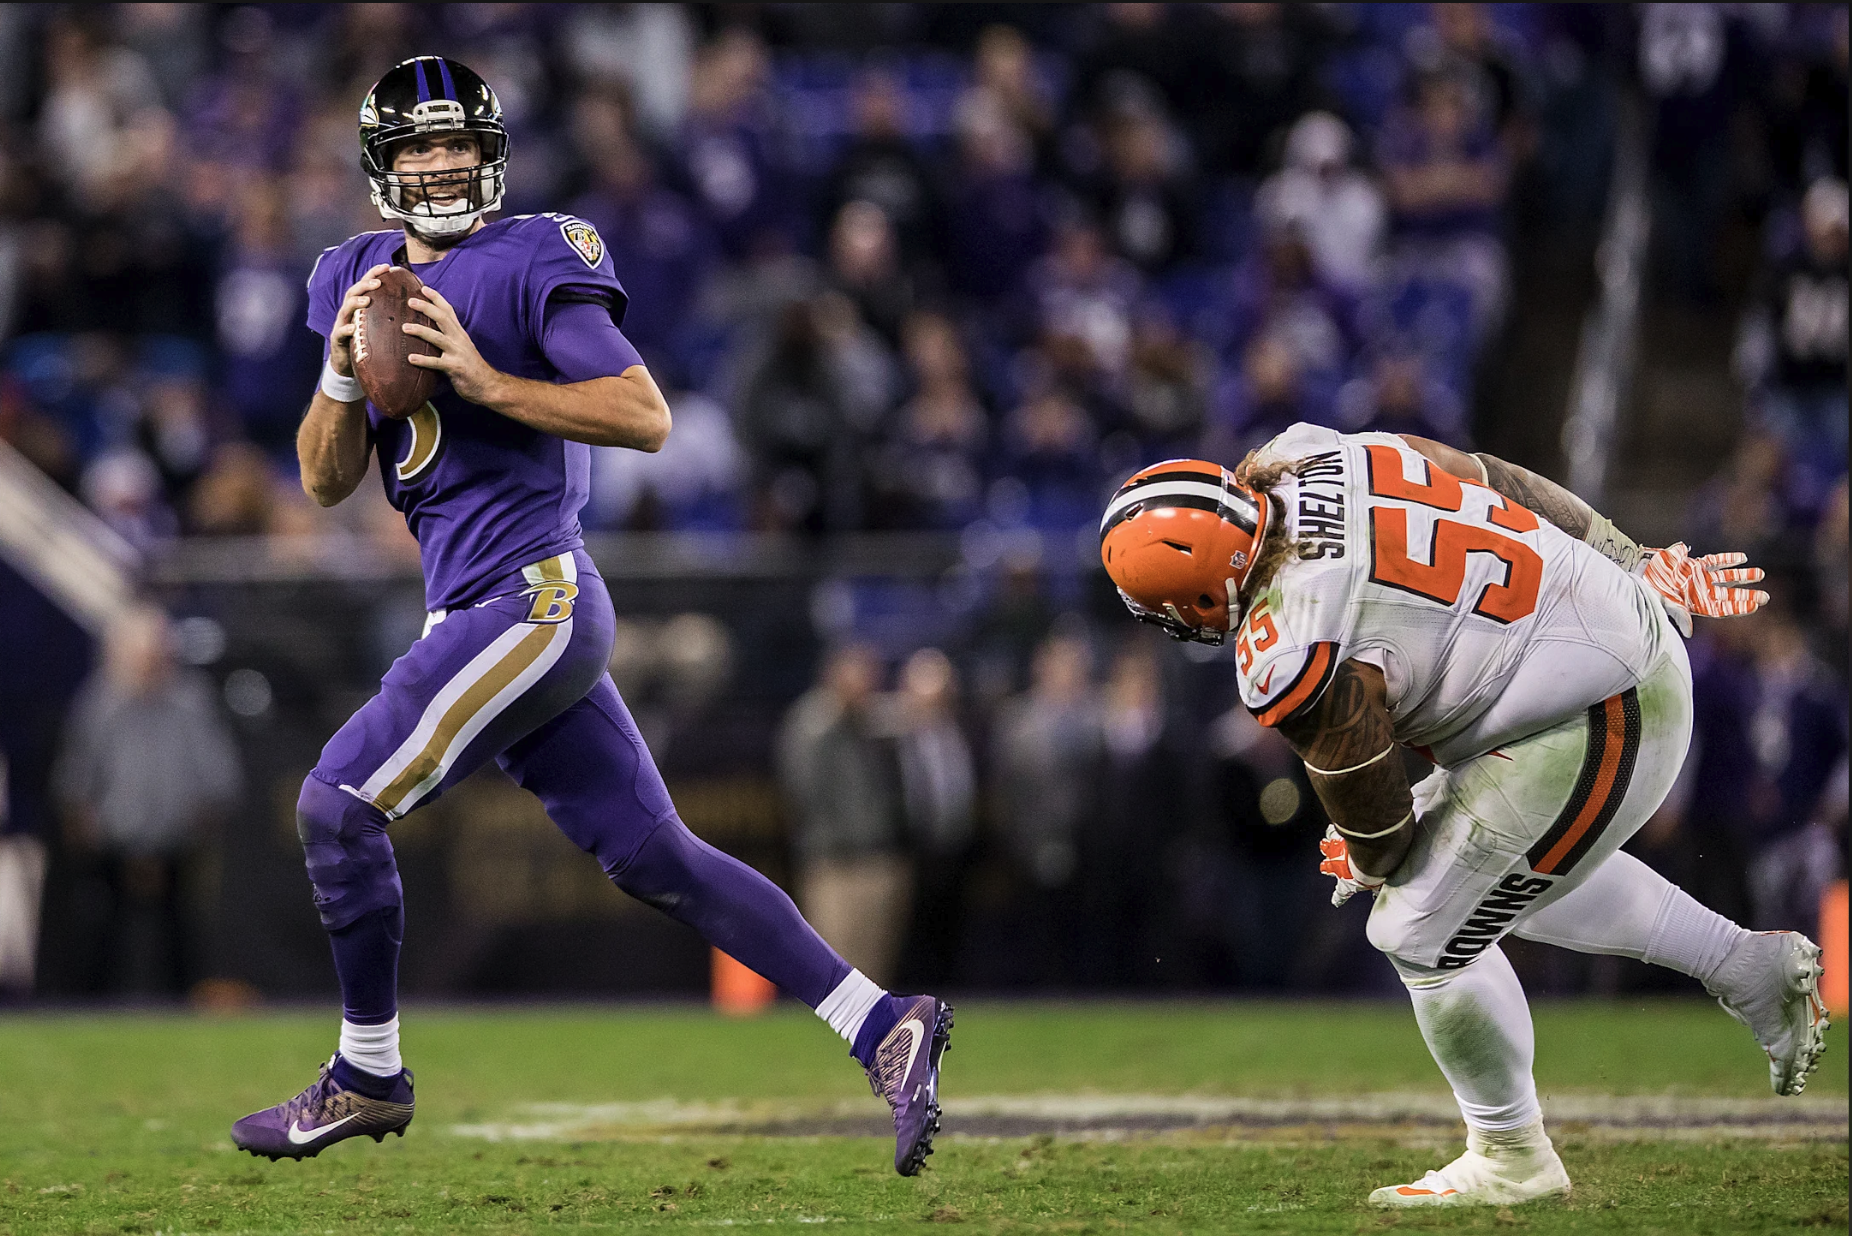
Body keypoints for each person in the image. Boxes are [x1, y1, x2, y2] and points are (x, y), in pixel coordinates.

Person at [229, 58, 950, 1177]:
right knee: (655, 854)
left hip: (534, 596)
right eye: (416, 148)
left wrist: (486, 379)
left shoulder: (529, 258)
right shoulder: (351, 280)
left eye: (455, 143)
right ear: (381, 166)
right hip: (470, 608)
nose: (438, 164)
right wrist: (335, 381)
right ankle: (879, 1020)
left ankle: (367, 1071)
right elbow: (324, 482)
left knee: (335, 805)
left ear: (489, 153)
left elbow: (644, 414)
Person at [1098, 430, 1827, 1208]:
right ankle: (1750, 969)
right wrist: (1632, 557)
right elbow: (1494, 476)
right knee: (1496, 882)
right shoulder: (1309, 454)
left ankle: (1511, 1152)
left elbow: (1376, 824)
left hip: (1600, 711)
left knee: (1417, 926)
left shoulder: (1288, 637)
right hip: (1605, 651)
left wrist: (1374, 839)